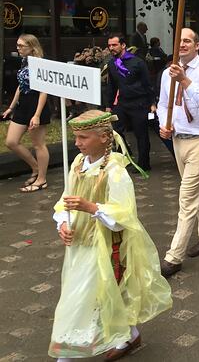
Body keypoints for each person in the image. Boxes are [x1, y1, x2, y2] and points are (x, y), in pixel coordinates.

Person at [49, 110, 171, 360]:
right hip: (80, 241)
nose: (77, 143)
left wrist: (91, 207)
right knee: (99, 292)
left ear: (104, 138)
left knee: (86, 295)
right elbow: (65, 199)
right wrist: (62, 223)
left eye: (83, 137)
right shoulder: (77, 165)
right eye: (76, 137)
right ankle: (129, 334)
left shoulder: (115, 171)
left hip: (105, 244)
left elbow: (124, 215)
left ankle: (67, 354)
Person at [157, 28, 199, 277]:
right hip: (178, 140)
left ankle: (174, 257)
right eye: (179, 41)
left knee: (187, 197)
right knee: (198, 191)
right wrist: (164, 123)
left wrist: (185, 80)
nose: (182, 44)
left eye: (187, 41)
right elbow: (164, 104)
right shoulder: (166, 73)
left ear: (197, 45)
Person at [2, 34, 51, 193]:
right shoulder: (24, 61)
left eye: (21, 46)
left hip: (36, 103)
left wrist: (36, 115)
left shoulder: (39, 64)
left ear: (32, 47)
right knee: (11, 141)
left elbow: (44, 91)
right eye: (17, 45)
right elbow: (20, 85)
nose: (18, 48)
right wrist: (11, 106)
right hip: (23, 103)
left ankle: (42, 180)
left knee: (38, 144)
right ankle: (35, 168)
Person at [106, 34, 155, 172]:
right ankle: (124, 159)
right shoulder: (111, 64)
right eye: (109, 45)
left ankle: (144, 163)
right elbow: (112, 87)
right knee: (116, 132)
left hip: (139, 103)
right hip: (122, 103)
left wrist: (152, 102)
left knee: (141, 134)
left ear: (123, 45)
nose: (111, 48)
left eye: (114, 45)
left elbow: (147, 84)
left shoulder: (138, 62)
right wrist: (109, 106)